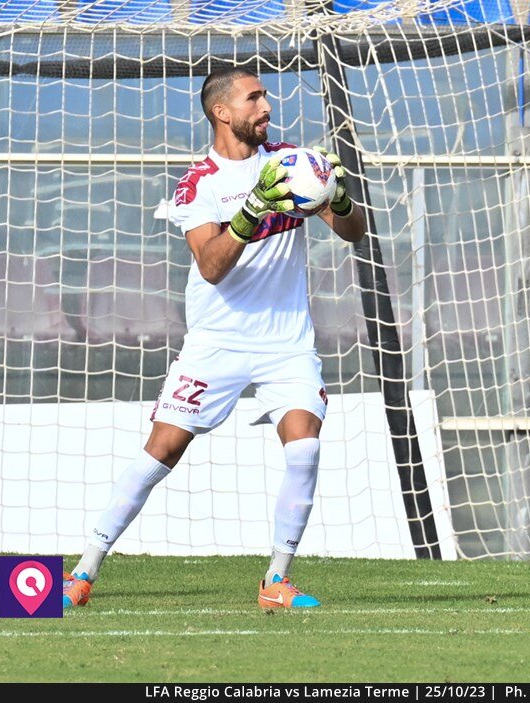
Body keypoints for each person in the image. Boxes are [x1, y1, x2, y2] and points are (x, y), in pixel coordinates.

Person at [62, 66, 366, 610]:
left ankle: (276, 581)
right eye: (253, 98)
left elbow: (353, 232)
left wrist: (337, 199)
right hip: (216, 343)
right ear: (222, 111)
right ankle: (83, 570)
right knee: (162, 451)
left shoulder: (293, 164)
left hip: (286, 343)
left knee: (305, 448)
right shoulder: (198, 183)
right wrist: (255, 208)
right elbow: (211, 266)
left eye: (265, 96)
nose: (266, 106)